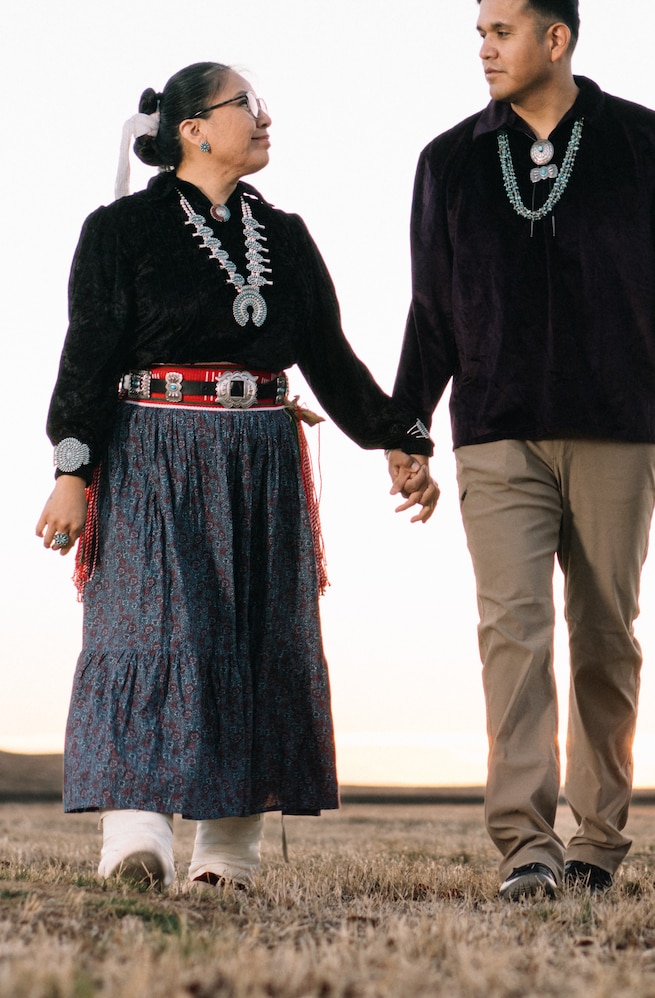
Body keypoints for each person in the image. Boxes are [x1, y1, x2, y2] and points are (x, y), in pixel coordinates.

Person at [36, 62, 439, 891]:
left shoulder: (284, 235)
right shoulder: (121, 231)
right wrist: (72, 468)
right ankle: (136, 838)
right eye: (246, 105)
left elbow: (330, 357)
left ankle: (226, 856)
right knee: (147, 629)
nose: (264, 119)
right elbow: (87, 355)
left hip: (260, 460)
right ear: (192, 129)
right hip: (153, 454)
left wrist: (401, 435)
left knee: (256, 637)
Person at [394, 0, 655, 899]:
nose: (487, 50)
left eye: (503, 32)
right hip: (494, 432)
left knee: (606, 633)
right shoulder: (449, 159)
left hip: (620, 428)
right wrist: (404, 425)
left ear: (557, 39)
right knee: (514, 631)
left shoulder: (650, 143)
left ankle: (598, 839)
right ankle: (526, 845)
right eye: (481, 35)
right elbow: (432, 309)